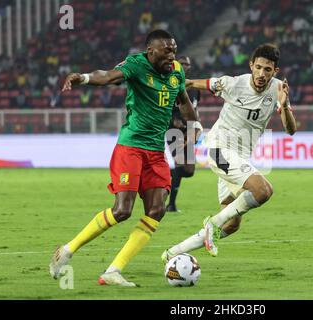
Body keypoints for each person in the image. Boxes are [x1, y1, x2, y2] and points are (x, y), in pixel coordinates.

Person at [49, 30, 202, 287]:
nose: (172, 56)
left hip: (155, 152)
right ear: (151, 51)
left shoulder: (176, 71)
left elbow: (184, 100)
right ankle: (66, 250)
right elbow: (107, 76)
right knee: (122, 211)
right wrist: (84, 78)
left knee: (157, 209)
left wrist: (195, 126)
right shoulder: (135, 65)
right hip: (130, 147)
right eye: (167, 51)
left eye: (174, 50)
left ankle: (113, 270)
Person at [162, 44, 297, 262]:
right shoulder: (233, 84)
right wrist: (169, 82)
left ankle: (173, 253)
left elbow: (291, 130)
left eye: (268, 70)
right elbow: (193, 83)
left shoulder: (279, 89)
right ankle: (212, 224)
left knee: (232, 224)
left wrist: (284, 104)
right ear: (251, 65)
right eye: (259, 67)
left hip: (240, 157)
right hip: (219, 149)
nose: (262, 74)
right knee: (263, 191)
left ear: (275, 72)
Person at [166, 56, 201, 213]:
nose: (186, 66)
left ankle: (161, 173)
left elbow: (195, 110)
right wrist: (173, 120)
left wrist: (196, 127)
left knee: (189, 171)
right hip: (173, 130)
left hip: (188, 130)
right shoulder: (170, 85)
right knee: (181, 164)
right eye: (183, 63)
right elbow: (164, 107)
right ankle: (171, 205)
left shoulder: (194, 89)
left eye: (188, 64)